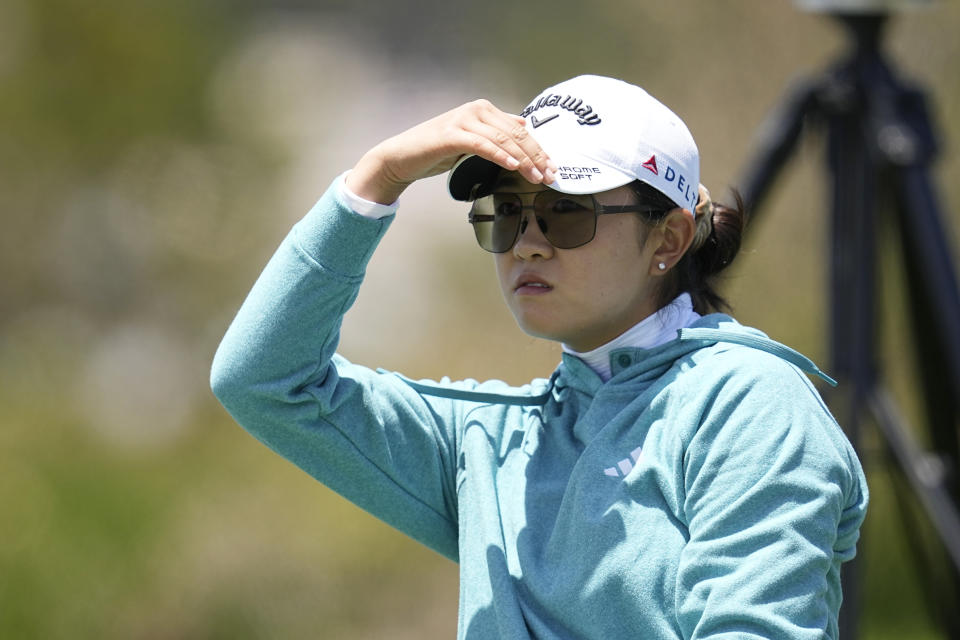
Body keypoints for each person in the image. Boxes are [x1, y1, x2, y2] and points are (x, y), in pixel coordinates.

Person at [211, 74, 868, 639]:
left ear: (666, 239)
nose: (526, 243)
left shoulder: (748, 403)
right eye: (505, 213)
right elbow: (264, 380)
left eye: (565, 212)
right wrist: (378, 178)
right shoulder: (488, 442)